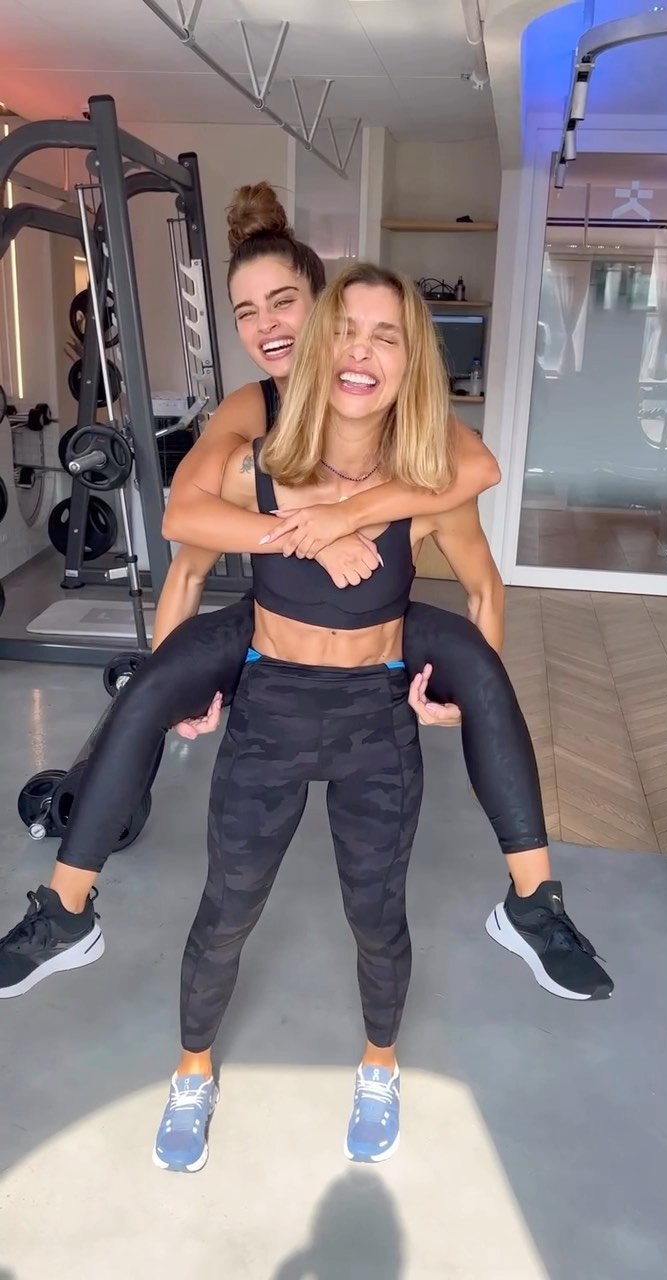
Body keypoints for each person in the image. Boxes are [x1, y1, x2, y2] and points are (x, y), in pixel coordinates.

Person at [0, 186, 612, 1010]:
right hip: (268, 623)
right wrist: (302, 535)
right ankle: (66, 913)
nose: (269, 327)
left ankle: (534, 902)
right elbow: (186, 528)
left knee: (481, 669)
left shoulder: (410, 436)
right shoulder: (252, 417)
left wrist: (350, 515)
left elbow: (478, 480)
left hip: (381, 634)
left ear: (325, 311)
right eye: (247, 312)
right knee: (147, 690)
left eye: (284, 303)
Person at [153, 261, 514, 1172]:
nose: (361, 351)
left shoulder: (428, 488)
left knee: (376, 914)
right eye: (346, 330)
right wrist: (176, 691)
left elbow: (484, 589)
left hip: (375, 724)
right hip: (269, 711)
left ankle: (379, 1064)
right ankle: (192, 1072)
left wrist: (465, 694)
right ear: (317, 347)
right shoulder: (260, 469)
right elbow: (184, 557)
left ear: (409, 362)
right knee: (227, 909)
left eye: (385, 336)